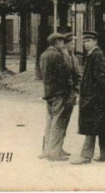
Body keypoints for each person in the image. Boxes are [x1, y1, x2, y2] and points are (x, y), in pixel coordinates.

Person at [70, 31, 105, 165]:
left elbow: (102, 77)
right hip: (97, 97)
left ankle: (85, 156)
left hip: (94, 98)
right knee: (101, 126)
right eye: (84, 41)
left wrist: (98, 95)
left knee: (91, 126)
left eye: (88, 41)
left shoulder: (96, 55)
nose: (85, 44)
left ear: (95, 41)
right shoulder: (94, 54)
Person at [39, 32, 73, 161]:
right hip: (59, 93)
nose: (63, 44)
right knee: (58, 122)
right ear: (57, 42)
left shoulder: (44, 54)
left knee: (50, 121)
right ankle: (54, 152)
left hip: (49, 92)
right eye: (62, 41)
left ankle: (47, 150)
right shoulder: (57, 55)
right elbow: (64, 73)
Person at [58, 33, 81, 156]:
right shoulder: (62, 57)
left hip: (71, 94)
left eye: (74, 43)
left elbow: (78, 75)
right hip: (64, 94)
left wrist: (76, 90)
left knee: (64, 121)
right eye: (71, 43)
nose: (73, 45)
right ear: (65, 44)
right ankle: (52, 147)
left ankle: (59, 147)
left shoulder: (74, 58)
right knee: (58, 121)